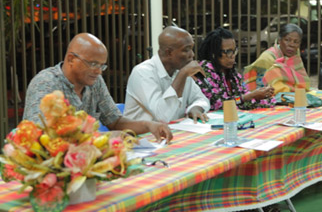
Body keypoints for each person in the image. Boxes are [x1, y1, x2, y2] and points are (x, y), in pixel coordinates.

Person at [23, 33, 173, 143]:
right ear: (71, 59)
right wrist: (104, 137)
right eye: (93, 64)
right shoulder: (46, 83)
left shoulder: (95, 82)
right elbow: (41, 136)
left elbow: (115, 121)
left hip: (82, 161)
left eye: (102, 65)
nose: (99, 71)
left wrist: (149, 124)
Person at [124, 26, 210, 123]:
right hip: (142, 136)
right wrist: (182, 74)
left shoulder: (179, 70)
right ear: (169, 52)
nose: (192, 55)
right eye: (186, 50)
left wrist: (195, 108)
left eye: (192, 48)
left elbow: (201, 99)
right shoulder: (143, 72)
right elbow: (163, 117)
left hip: (173, 132)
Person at [196, 27, 275, 111]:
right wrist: (250, 96)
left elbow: (240, 100)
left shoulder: (231, 72)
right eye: (228, 52)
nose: (233, 56)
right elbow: (220, 105)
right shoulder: (205, 70)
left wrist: (262, 96)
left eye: (234, 51)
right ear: (214, 53)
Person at [244, 23, 310, 94]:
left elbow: (302, 83)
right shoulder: (267, 58)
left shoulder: (295, 56)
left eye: (296, 42)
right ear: (279, 40)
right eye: (287, 40)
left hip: (291, 95)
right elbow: (261, 87)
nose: (291, 45)